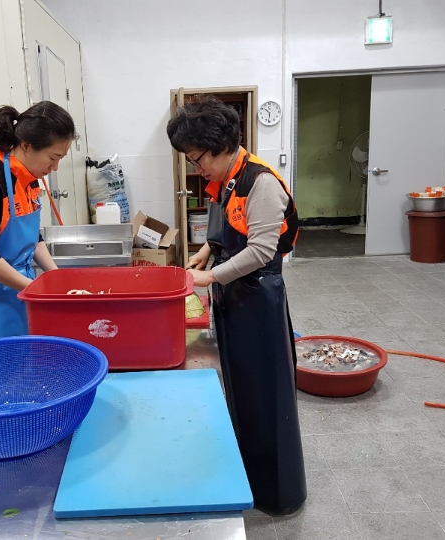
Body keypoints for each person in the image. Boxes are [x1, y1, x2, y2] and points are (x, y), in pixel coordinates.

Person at [166, 97, 306, 514]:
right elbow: (227, 230)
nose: (197, 168)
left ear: (222, 145)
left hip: (258, 299)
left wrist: (208, 278)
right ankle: (245, 470)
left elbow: (261, 250)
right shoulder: (225, 180)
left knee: (266, 394)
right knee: (241, 388)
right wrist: (204, 253)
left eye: (198, 158)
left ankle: (276, 493)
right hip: (232, 294)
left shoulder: (260, 183)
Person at [0, 101, 75, 346]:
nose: (55, 167)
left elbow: (32, 237)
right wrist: (37, 291)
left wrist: (56, 278)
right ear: (27, 146)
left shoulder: (29, 179)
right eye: (53, 157)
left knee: (23, 362)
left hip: (21, 288)